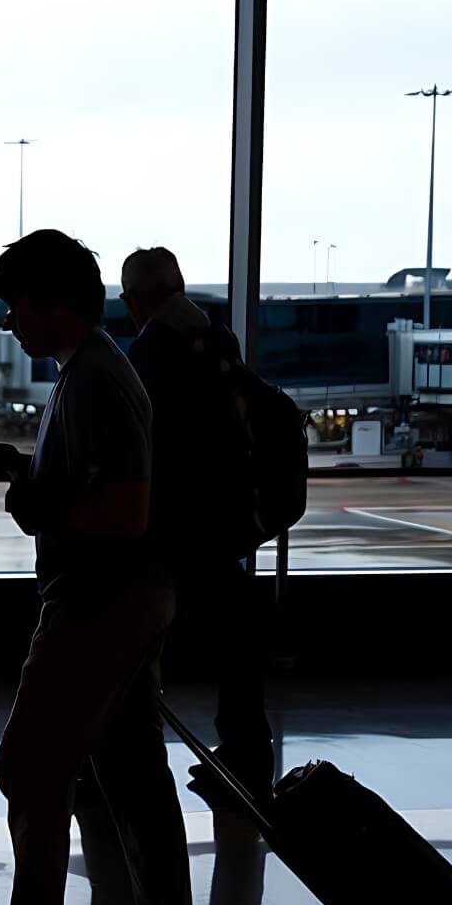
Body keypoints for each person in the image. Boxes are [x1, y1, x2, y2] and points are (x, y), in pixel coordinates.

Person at [0, 230, 194, 905]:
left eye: (16, 305)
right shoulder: (86, 374)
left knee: (29, 763)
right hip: (127, 595)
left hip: (100, 601)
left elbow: (124, 509)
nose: (11, 322)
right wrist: (23, 467)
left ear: (53, 303)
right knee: (130, 767)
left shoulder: (94, 379)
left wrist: (31, 497)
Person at [120, 247, 275, 802]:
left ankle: (118, 761)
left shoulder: (151, 353)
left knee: (130, 642)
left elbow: (142, 446)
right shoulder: (218, 338)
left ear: (135, 301)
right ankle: (248, 759)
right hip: (225, 517)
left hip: (172, 524)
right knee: (237, 641)